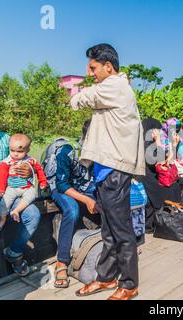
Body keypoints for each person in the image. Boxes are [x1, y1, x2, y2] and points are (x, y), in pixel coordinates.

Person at [70, 44, 145, 300]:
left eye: (92, 67)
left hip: (114, 169)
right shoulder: (111, 89)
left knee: (121, 230)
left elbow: (80, 99)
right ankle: (106, 277)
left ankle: (129, 283)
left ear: (108, 67)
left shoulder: (115, 86)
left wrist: (74, 93)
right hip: (106, 169)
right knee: (108, 230)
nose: (90, 73)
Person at [0, 101, 41, 283]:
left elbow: (25, 158)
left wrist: (29, 170)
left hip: (8, 194)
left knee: (33, 214)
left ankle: (14, 253)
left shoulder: (5, 139)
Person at [49, 120, 96, 288]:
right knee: (72, 210)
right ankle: (61, 262)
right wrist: (87, 199)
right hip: (62, 187)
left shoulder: (101, 153)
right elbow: (62, 185)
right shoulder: (68, 151)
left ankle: (118, 244)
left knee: (111, 203)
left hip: (84, 188)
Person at [0, 134, 48, 229]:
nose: (15, 154)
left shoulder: (31, 161)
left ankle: (16, 210)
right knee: (4, 202)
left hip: (26, 187)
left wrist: (43, 182)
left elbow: (40, 170)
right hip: (12, 187)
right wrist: (0, 190)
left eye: (20, 151)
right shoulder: (7, 162)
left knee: (31, 195)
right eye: (12, 150)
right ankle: (2, 219)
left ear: (27, 150)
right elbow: (1, 176)